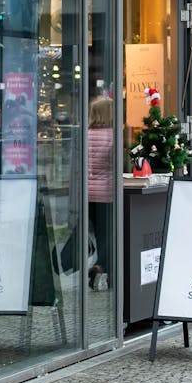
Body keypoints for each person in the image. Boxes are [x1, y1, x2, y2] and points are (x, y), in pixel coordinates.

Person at [84, 95, 116, 291]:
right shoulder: (113, 135)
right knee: (110, 235)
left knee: (99, 234)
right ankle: (101, 266)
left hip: (89, 194)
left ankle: (101, 265)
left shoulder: (86, 134)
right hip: (106, 193)